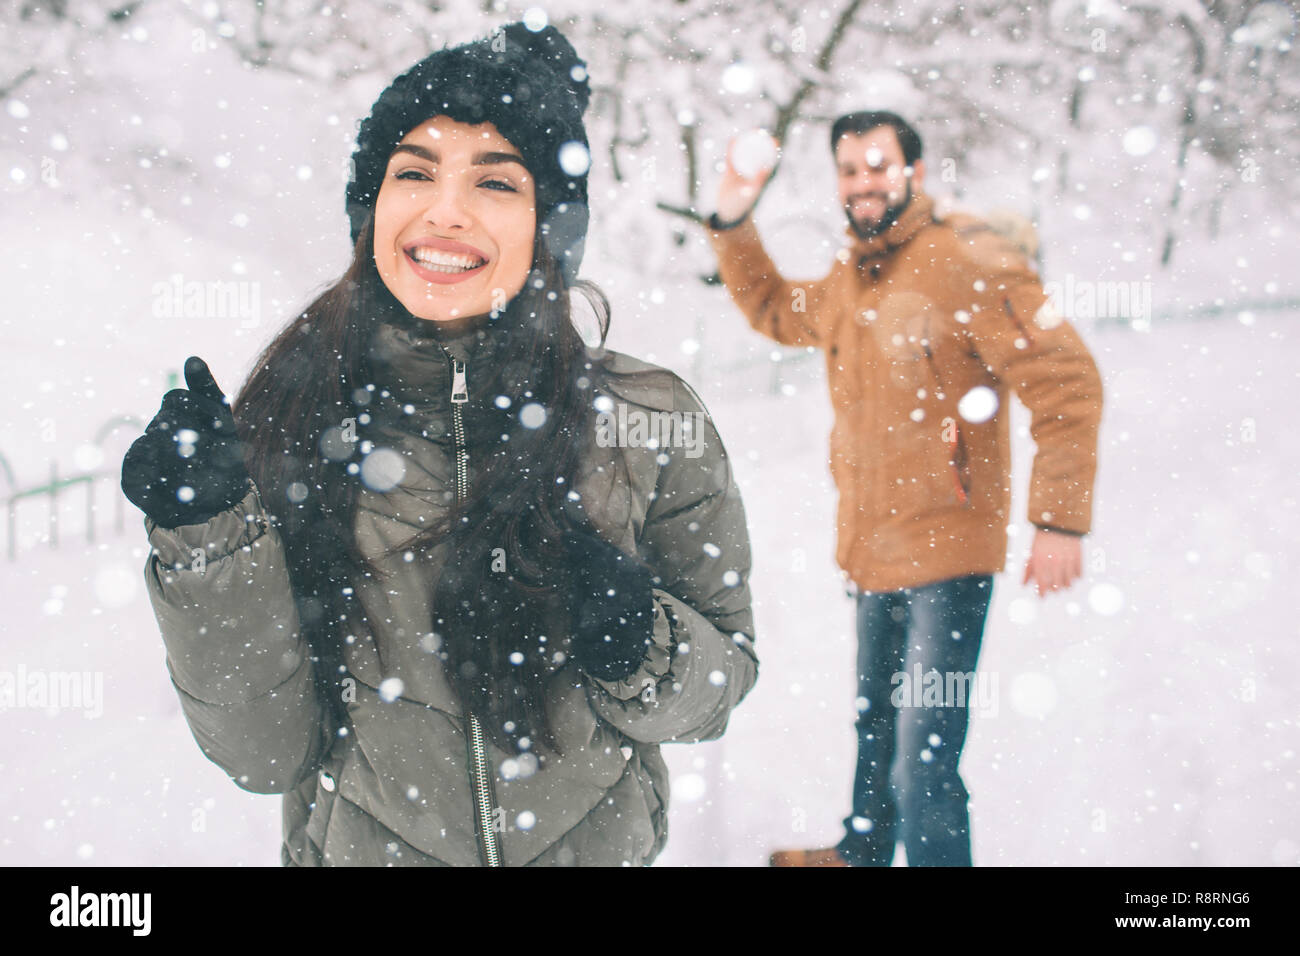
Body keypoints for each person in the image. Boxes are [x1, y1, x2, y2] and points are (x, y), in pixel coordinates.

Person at [120, 22, 757, 867]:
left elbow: (720, 688)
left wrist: (640, 642)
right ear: (371, 209)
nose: (445, 211)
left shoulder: (647, 419)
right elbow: (263, 754)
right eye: (414, 172)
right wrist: (206, 538)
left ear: (548, 229)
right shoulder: (297, 416)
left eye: (496, 182)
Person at [703, 111, 1102, 866]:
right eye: (850, 169)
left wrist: (1059, 520)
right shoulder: (854, 276)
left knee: (924, 762)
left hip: (948, 557)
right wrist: (733, 214)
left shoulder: (967, 260)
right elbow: (773, 309)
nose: (863, 182)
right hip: (874, 552)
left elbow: (1067, 381)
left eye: (878, 166)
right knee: (878, 729)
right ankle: (864, 853)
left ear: (913, 172)